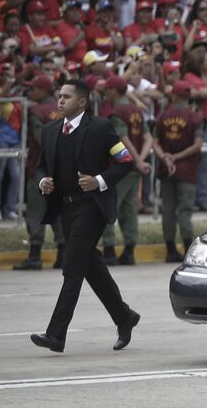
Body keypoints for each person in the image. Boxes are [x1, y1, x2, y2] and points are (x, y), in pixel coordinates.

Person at [30, 80, 140, 353]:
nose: (60, 101)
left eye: (67, 97)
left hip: (92, 207)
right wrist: (43, 180)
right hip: (65, 208)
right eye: (59, 96)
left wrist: (100, 180)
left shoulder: (101, 128)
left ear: (82, 102)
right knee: (90, 265)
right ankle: (124, 317)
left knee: (73, 266)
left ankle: (56, 335)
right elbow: (41, 165)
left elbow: (126, 161)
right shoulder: (50, 130)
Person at [13, 76, 65, 270]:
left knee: (36, 211)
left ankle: (35, 256)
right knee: (59, 212)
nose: (30, 92)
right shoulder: (63, 109)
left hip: (40, 169)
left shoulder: (36, 111)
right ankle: (63, 255)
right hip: (62, 170)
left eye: (33, 88)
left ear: (42, 91)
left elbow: (42, 139)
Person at [98, 77, 152, 265]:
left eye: (107, 89)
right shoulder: (135, 110)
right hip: (134, 167)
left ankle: (110, 249)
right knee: (129, 210)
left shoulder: (117, 113)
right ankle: (129, 250)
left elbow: (123, 139)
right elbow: (147, 138)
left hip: (120, 167)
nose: (105, 92)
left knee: (109, 206)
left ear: (114, 90)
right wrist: (141, 160)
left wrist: (136, 161)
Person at [154, 81, 203, 262]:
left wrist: (166, 158)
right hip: (187, 170)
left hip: (166, 169)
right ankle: (188, 249)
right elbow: (198, 145)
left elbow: (155, 142)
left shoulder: (163, 116)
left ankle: (170, 250)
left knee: (168, 209)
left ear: (173, 96)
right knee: (184, 210)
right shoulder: (195, 117)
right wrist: (177, 156)